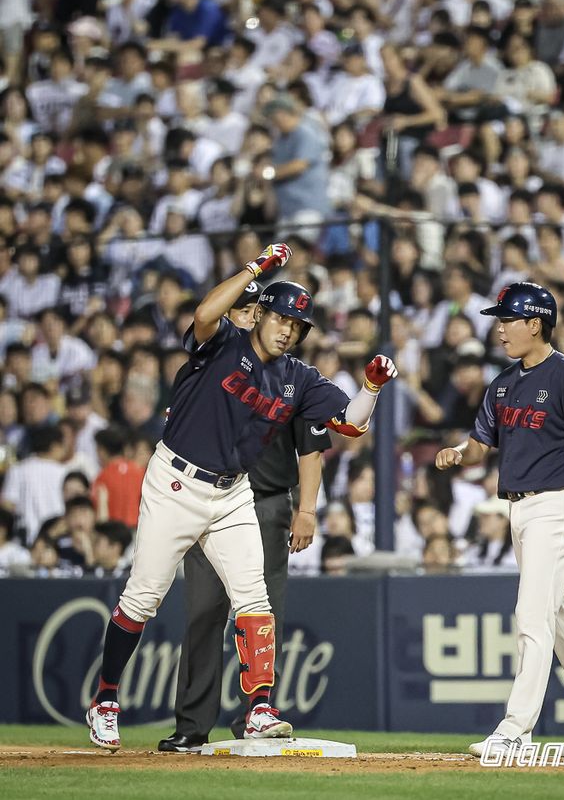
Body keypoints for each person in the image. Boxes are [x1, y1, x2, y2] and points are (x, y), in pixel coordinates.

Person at [85, 243, 397, 751]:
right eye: (279, 319)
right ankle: (105, 698)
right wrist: (257, 267)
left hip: (233, 493)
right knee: (143, 597)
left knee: (256, 599)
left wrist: (372, 386)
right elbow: (204, 313)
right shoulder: (225, 342)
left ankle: (258, 709)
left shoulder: (298, 378)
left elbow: (351, 424)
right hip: (175, 483)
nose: (286, 330)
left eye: (296, 326)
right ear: (261, 316)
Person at [435, 282, 564, 757]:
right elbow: (481, 444)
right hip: (519, 508)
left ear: (535, 324)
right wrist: (459, 453)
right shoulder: (503, 383)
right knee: (559, 616)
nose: (499, 330)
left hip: (559, 506)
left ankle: (515, 728)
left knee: (531, 615)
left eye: (507, 320)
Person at [157, 279, 331, 752]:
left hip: (267, 503)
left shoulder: (294, 376)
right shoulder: (214, 360)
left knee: (260, 612)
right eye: (246, 308)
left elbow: (311, 447)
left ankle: (255, 711)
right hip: (208, 499)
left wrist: (307, 510)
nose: (250, 316)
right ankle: (192, 724)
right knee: (203, 614)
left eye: (255, 308)